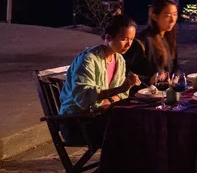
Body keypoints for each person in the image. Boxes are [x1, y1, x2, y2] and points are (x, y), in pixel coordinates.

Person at [58, 14, 141, 144]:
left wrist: (110, 99)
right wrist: (119, 89)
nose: (129, 44)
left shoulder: (119, 59)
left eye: (131, 39)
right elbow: (83, 97)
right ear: (108, 38)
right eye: (124, 39)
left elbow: (122, 95)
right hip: (78, 122)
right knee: (131, 130)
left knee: (141, 124)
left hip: (101, 118)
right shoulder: (88, 59)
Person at [124, 0, 178, 86]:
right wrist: (149, 79)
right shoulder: (142, 42)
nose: (172, 20)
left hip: (165, 89)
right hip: (145, 91)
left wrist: (176, 77)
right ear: (154, 17)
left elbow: (176, 67)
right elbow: (125, 71)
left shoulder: (168, 38)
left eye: (175, 14)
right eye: (167, 16)